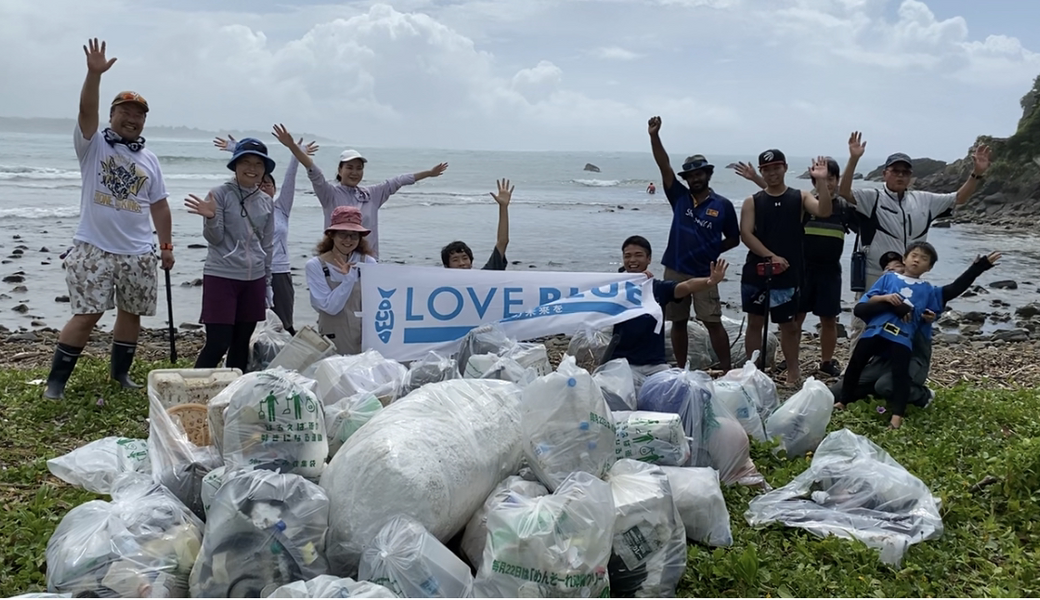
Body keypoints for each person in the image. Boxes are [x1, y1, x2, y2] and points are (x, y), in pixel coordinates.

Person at [44, 39, 175, 400]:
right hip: (94, 247)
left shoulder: (149, 158)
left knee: (131, 313)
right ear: (112, 114)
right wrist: (94, 75)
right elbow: (86, 110)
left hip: (138, 251)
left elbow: (160, 205)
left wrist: (166, 245)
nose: (132, 119)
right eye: (125, 112)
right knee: (87, 315)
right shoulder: (93, 144)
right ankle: (56, 382)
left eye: (139, 115)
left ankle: (121, 375)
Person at [838, 131, 992, 352]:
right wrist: (854, 159)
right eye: (895, 171)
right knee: (864, 325)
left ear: (911, 176)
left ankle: (893, 370)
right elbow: (844, 192)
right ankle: (855, 369)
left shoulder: (924, 200)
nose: (900, 176)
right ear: (885, 174)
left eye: (905, 172)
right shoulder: (872, 197)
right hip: (876, 274)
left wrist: (976, 174)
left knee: (906, 325)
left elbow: (958, 198)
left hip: (910, 277)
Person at [831, 250, 1001, 413]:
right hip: (882, 359)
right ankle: (875, 391)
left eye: (896, 266)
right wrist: (892, 305)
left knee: (886, 386)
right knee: (838, 392)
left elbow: (953, 289)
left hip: (913, 355)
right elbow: (860, 310)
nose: (892, 271)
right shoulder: (884, 292)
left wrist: (977, 268)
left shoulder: (925, 292)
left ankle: (923, 396)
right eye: (888, 269)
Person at [734, 157, 854, 377]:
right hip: (767, 269)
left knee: (794, 323)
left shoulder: (806, 198)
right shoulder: (754, 201)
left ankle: (798, 371)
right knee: (759, 322)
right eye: (767, 169)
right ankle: (755, 371)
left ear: (785, 168)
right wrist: (771, 256)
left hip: (803, 271)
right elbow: (748, 230)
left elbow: (823, 210)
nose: (772, 172)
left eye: (777, 167)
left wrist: (821, 182)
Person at [647, 116, 741, 371]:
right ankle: (680, 369)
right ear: (686, 179)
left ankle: (727, 370)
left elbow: (734, 238)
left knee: (712, 322)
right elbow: (664, 165)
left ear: (708, 174)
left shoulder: (723, 205)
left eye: (699, 174)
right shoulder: (678, 196)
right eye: (690, 176)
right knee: (677, 322)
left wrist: (712, 250)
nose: (695, 179)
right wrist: (654, 136)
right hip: (675, 269)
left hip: (705, 272)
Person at [272, 124, 448, 258]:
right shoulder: (329, 194)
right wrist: (292, 147)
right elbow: (313, 170)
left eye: (359, 168)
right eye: (349, 167)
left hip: (368, 262)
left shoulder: (372, 194)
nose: (355, 172)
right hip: (336, 261)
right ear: (340, 170)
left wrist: (429, 173)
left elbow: (398, 180)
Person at [836, 241, 949, 429]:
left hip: (903, 338)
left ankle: (898, 415)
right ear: (905, 259)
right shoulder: (888, 279)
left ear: (929, 267)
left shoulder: (927, 289)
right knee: (854, 366)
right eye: (914, 256)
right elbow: (866, 304)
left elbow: (933, 309)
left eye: (923, 259)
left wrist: (930, 316)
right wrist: (888, 299)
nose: (916, 260)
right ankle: (843, 401)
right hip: (876, 334)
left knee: (897, 376)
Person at [185, 138, 276, 371]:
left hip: (254, 279)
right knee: (218, 342)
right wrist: (211, 217)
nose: (252, 168)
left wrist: (267, 282)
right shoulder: (219, 194)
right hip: (222, 276)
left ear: (265, 169)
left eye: (258, 164)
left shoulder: (266, 201)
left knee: (241, 343)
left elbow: (267, 245)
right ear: (235, 164)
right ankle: (194, 387)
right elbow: (214, 238)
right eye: (245, 162)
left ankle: (233, 390)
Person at [215, 134, 319, 334]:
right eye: (260, 184)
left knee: (285, 324)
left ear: (274, 188)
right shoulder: (244, 204)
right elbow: (242, 174)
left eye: (268, 184)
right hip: (251, 271)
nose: (263, 187)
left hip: (279, 272)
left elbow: (289, 179)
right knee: (249, 325)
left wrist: (296, 155)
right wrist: (236, 149)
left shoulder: (281, 208)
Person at [607, 236, 728, 391]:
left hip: (655, 365)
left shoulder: (658, 288)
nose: (632, 260)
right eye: (627, 256)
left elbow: (687, 286)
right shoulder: (614, 289)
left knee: (679, 392)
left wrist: (709, 281)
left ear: (649, 259)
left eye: (638, 255)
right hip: (622, 363)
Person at [306, 206, 378, 354]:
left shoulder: (368, 262)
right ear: (331, 235)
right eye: (343, 234)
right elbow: (330, 307)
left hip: (364, 333)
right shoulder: (315, 265)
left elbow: (377, 302)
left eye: (354, 235)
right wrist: (348, 280)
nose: (348, 240)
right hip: (333, 334)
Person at [442, 179, 512, 269]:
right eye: (455, 260)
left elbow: (502, 242)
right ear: (447, 266)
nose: (462, 263)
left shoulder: (484, 274)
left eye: (465, 258)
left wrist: (503, 207)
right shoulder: (438, 278)